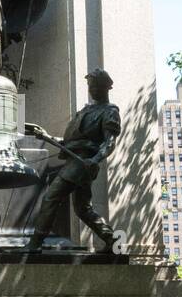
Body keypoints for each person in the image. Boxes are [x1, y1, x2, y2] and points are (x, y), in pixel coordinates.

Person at [24, 68, 122, 252]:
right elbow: (69, 142)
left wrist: (95, 159)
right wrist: (47, 136)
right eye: (89, 86)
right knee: (82, 209)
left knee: (50, 197)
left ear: (105, 88)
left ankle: (35, 243)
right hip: (74, 161)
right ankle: (112, 240)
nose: (91, 89)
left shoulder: (109, 112)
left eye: (94, 86)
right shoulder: (86, 110)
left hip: (82, 163)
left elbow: (109, 143)